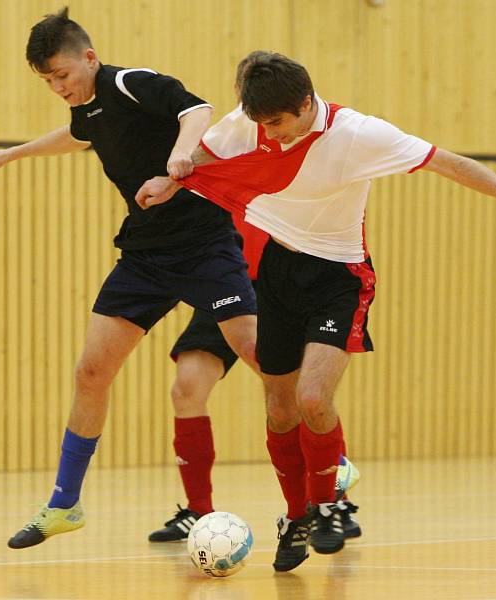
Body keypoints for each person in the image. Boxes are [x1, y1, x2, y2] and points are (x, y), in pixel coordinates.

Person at [136, 52, 496, 571]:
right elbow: (209, 155)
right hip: (278, 270)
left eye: (277, 124)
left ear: (305, 104)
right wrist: (171, 180)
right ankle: (295, 516)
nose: (269, 137)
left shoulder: (360, 134)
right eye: (260, 125)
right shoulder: (251, 122)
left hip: (338, 278)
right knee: (280, 409)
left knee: (314, 397)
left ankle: (327, 505)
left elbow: (446, 161)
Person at [0, 7, 259, 550]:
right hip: (146, 254)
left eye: (62, 75)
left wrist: (175, 161)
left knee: (260, 352)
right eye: (47, 80)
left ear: (89, 58)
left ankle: (330, 463)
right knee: (91, 371)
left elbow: (198, 110)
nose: (58, 87)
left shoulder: (130, 83)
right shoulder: (90, 107)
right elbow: (79, 136)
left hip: (205, 245)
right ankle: (64, 504)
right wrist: (12, 154)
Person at [150, 51, 362, 545]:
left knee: (298, 397)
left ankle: (334, 491)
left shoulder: (287, 147)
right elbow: (190, 160)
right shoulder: (233, 138)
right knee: (187, 386)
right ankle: (197, 512)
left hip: (269, 288)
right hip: (225, 285)